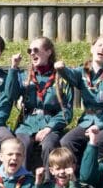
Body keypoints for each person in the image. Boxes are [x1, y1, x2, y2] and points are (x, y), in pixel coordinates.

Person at [58, 34, 103, 162]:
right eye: (99, 45)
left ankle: (96, 173)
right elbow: (71, 76)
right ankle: (77, 172)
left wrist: (99, 126)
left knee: (96, 143)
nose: (102, 49)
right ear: (92, 48)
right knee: (67, 141)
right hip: (88, 121)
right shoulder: (82, 72)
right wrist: (61, 69)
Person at [12, 36, 73, 169]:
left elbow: (67, 112)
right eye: (29, 51)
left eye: (36, 50)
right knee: (21, 145)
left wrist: (49, 128)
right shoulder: (24, 75)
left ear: (48, 52)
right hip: (27, 124)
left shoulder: (61, 77)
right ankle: (21, 180)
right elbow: (10, 94)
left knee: (49, 145)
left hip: (50, 124)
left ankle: (48, 180)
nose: (32, 53)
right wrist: (13, 68)